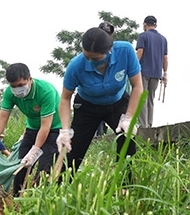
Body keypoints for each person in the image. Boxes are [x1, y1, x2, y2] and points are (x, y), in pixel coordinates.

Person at [57, 26, 143, 171]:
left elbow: (137, 86)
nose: (90, 61)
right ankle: (60, 187)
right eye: (87, 57)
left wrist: (129, 117)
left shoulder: (125, 51)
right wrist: (65, 131)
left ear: (109, 50)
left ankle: (124, 187)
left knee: (127, 139)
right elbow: (65, 98)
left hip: (117, 103)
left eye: (95, 58)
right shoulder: (76, 66)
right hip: (87, 107)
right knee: (73, 149)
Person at [0, 63, 61, 195]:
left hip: (54, 129)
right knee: (21, 163)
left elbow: (45, 126)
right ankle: (17, 199)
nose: (17, 89)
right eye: (13, 86)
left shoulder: (46, 91)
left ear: (30, 79)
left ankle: (39, 198)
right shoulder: (9, 93)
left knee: (45, 167)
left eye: (21, 85)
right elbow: (2, 117)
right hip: (32, 128)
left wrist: (35, 150)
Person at [135, 15, 168, 128]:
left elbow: (140, 52)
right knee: (150, 99)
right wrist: (165, 73)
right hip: (156, 73)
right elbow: (165, 58)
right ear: (155, 25)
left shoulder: (143, 36)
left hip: (144, 71)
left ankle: (143, 125)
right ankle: (149, 124)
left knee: (141, 98)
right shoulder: (163, 39)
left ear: (145, 24)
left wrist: (132, 66)